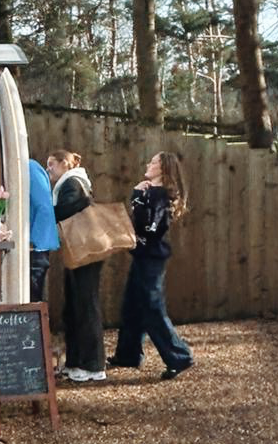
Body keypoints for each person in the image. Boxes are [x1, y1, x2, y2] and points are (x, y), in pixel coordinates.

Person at [107, 152, 193, 381]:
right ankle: (128, 354)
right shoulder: (152, 193)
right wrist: (139, 195)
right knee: (132, 304)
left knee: (152, 308)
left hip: (151, 258)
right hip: (144, 255)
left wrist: (137, 196)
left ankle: (179, 356)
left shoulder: (160, 195)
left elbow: (150, 227)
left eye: (153, 162)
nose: (148, 164)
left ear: (163, 169)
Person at [47, 149, 106, 384]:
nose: (49, 169)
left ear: (65, 164)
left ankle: (93, 364)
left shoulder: (72, 183)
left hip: (85, 253)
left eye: (52, 164)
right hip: (81, 252)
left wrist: (43, 211)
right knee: (74, 307)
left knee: (85, 307)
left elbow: (65, 210)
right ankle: (76, 361)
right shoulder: (73, 183)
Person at [28, 158, 59, 304]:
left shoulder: (30, 168)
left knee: (33, 297)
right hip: (33, 243)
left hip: (35, 246)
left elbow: (44, 207)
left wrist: (35, 242)